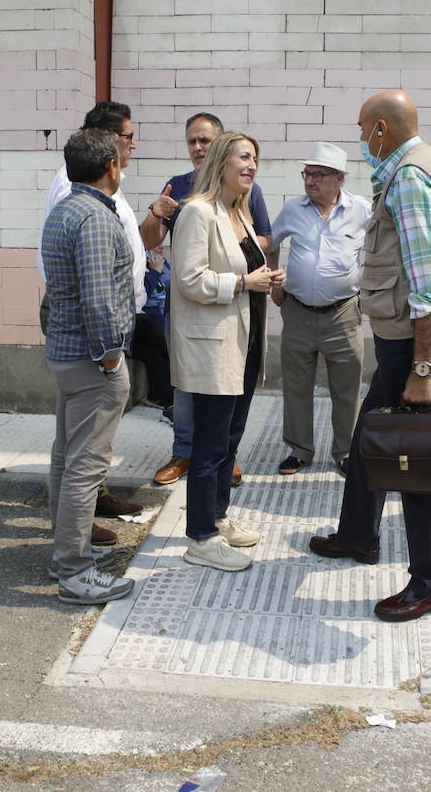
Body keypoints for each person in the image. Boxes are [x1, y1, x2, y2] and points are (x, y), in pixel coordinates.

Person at [307, 90, 431, 623]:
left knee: (421, 460)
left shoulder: (410, 179)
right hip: (414, 338)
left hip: (418, 343)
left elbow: (428, 283)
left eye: (362, 129)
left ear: (381, 128)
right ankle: (358, 535)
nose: (360, 140)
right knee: (368, 438)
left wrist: (422, 372)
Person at [170, 131, 284, 573]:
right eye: (244, 156)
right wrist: (242, 283)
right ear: (221, 161)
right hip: (214, 348)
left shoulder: (238, 212)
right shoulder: (197, 212)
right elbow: (189, 279)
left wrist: (265, 279)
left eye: (256, 157)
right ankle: (200, 537)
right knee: (210, 443)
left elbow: (245, 270)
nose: (252, 165)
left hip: (246, 342)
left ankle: (217, 518)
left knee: (230, 440)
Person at [144, 113, 273, 489]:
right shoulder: (182, 191)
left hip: (236, 312)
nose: (198, 148)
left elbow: (260, 240)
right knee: (187, 391)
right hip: (196, 310)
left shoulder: (245, 194)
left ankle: (222, 462)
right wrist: (157, 212)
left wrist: (242, 266)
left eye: (205, 141)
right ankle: (186, 453)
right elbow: (152, 242)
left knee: (227, 405)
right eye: (192, 142)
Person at [35, 101, 146, 530]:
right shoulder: (92, 215)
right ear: (110, 165)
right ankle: (74, 564)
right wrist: (110, 357)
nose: (131, 150)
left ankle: (67, 547)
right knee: (85, 463)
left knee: (68, 454)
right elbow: (97, 297)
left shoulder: (72, 207)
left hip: (70, 350)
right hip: (91, 356)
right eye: (127, 145)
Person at [266, 142, 371, 476]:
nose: (310, 181)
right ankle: (299, 450)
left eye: (319, 175)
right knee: (296, 385)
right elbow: (271, 243)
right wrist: (275, 282)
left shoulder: (362, 210)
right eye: (307, 174)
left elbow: (382, 248)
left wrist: (369, 290)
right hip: (297, 311)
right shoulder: (293, 209)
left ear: (339, 179)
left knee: (347, 387)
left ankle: (345, 451)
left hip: (343, 312)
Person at [133, 246, 174, 414]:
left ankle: (167, 399)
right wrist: (155, 272)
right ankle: (172, 352)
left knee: (153, 354)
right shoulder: (138, 262)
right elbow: (141, 292)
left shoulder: (166, 265)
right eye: (154, 242)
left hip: (148, 326)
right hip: (131, 320)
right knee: (150, 325)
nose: (159, 247)